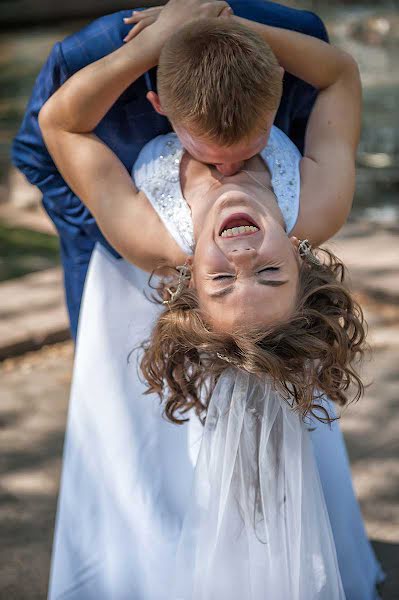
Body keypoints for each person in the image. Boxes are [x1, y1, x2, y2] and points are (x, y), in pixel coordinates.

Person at [39, 6, 384, 598]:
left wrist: (159, 45)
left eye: (222, 282)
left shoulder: (150, 239)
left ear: (186, 283)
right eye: (271, 273)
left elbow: (61, 127)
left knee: (150, 459)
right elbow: (340, 75)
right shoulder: (319, 206)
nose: (244, 258)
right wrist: (235, 29)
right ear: (302, 263)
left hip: (129, 307)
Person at [12, 0, 329, 339]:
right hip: (111, 259)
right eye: (266, 271)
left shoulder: (299, 36)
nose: (229, 169)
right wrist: (115, 230)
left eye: (253, 147)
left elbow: (308, 127)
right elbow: (36, 155)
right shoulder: (85, 56)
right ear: (157, 103)